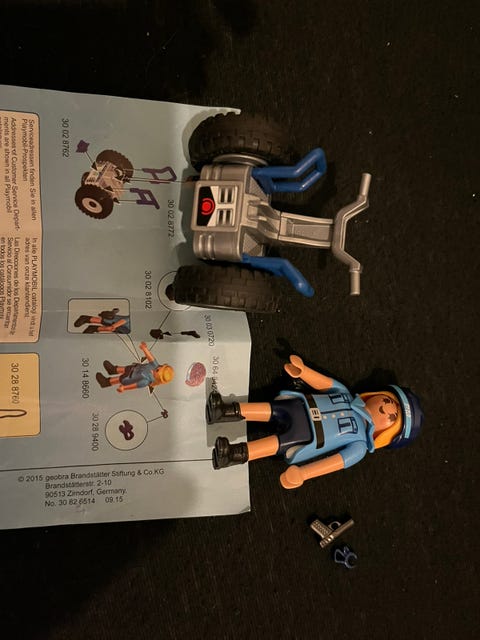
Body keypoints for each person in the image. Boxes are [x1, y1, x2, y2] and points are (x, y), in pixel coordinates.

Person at [207, 355, 423, 489]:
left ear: (388, 434)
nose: (386, 408)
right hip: (301, 406)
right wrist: (304, 372)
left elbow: (332, 464)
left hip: (309, 436)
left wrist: (304, 474)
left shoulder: (359, 446)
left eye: (393, 416)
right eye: (389, 400)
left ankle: (232, 455)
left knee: (275, 444)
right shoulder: (346, 394)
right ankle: (224, 411)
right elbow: (326, 383)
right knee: (269, 409)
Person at [96, 341, 174, 393]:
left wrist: (124, 388)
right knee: (125, 369)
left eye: (158, 370)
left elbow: (135, 385)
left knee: (120, 378)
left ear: (158, 377)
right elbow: (150, 357)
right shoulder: (155, 365)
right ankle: (113, 370)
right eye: (161, 367)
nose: (158, 368)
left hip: (130, 378)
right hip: (133, 368)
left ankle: (106, 382)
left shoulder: (146, 381)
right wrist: (145, 349)